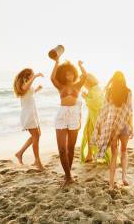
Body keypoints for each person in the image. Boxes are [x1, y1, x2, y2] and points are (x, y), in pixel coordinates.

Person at [92, 71, 134, 188]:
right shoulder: (128, 91)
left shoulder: (110, 91)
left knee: (115, 153)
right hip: (124, 124)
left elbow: (104, 110)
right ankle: (123, 178)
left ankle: (111, 183)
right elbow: (129, 111)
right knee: (124, 151)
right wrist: (132, 126)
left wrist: (101, 125)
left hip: (111, 126)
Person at [50, 55, 87, 186]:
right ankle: (68, 175)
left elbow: (85, 76)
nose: (69, 76)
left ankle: (68, 174)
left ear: (74, 74)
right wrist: (56, 62)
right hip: (62, 116)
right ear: (64, 75)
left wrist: (81, 65)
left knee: (71, 147)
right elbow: (52, 78)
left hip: (74, 116)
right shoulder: (60, 87)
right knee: (62, 149)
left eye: (71, 74)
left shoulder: (78, 85)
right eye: (66, 74)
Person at [13, 68, 44, 171]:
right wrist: (35, 77)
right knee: (36, 136)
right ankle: (37, 161)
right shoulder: (24, 85)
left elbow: (29, 94)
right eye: (32, 74)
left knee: (37, 135)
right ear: (28, 76)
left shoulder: (26, 85)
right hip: (28, 114)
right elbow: (26, 88)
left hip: (32, 113)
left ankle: (20, 153)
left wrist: (37, 90)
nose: (34, 75)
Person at [79, 74, 110, 164]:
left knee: (97, 134)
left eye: (83, 82)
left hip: (97, 116)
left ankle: (103, 155)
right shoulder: (94, 88)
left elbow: (96, 103)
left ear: (87, 82)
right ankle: (89, 154)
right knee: (88, 133)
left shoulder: (95, 89)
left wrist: (85, 97)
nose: (83, 84)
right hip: (93, 115)